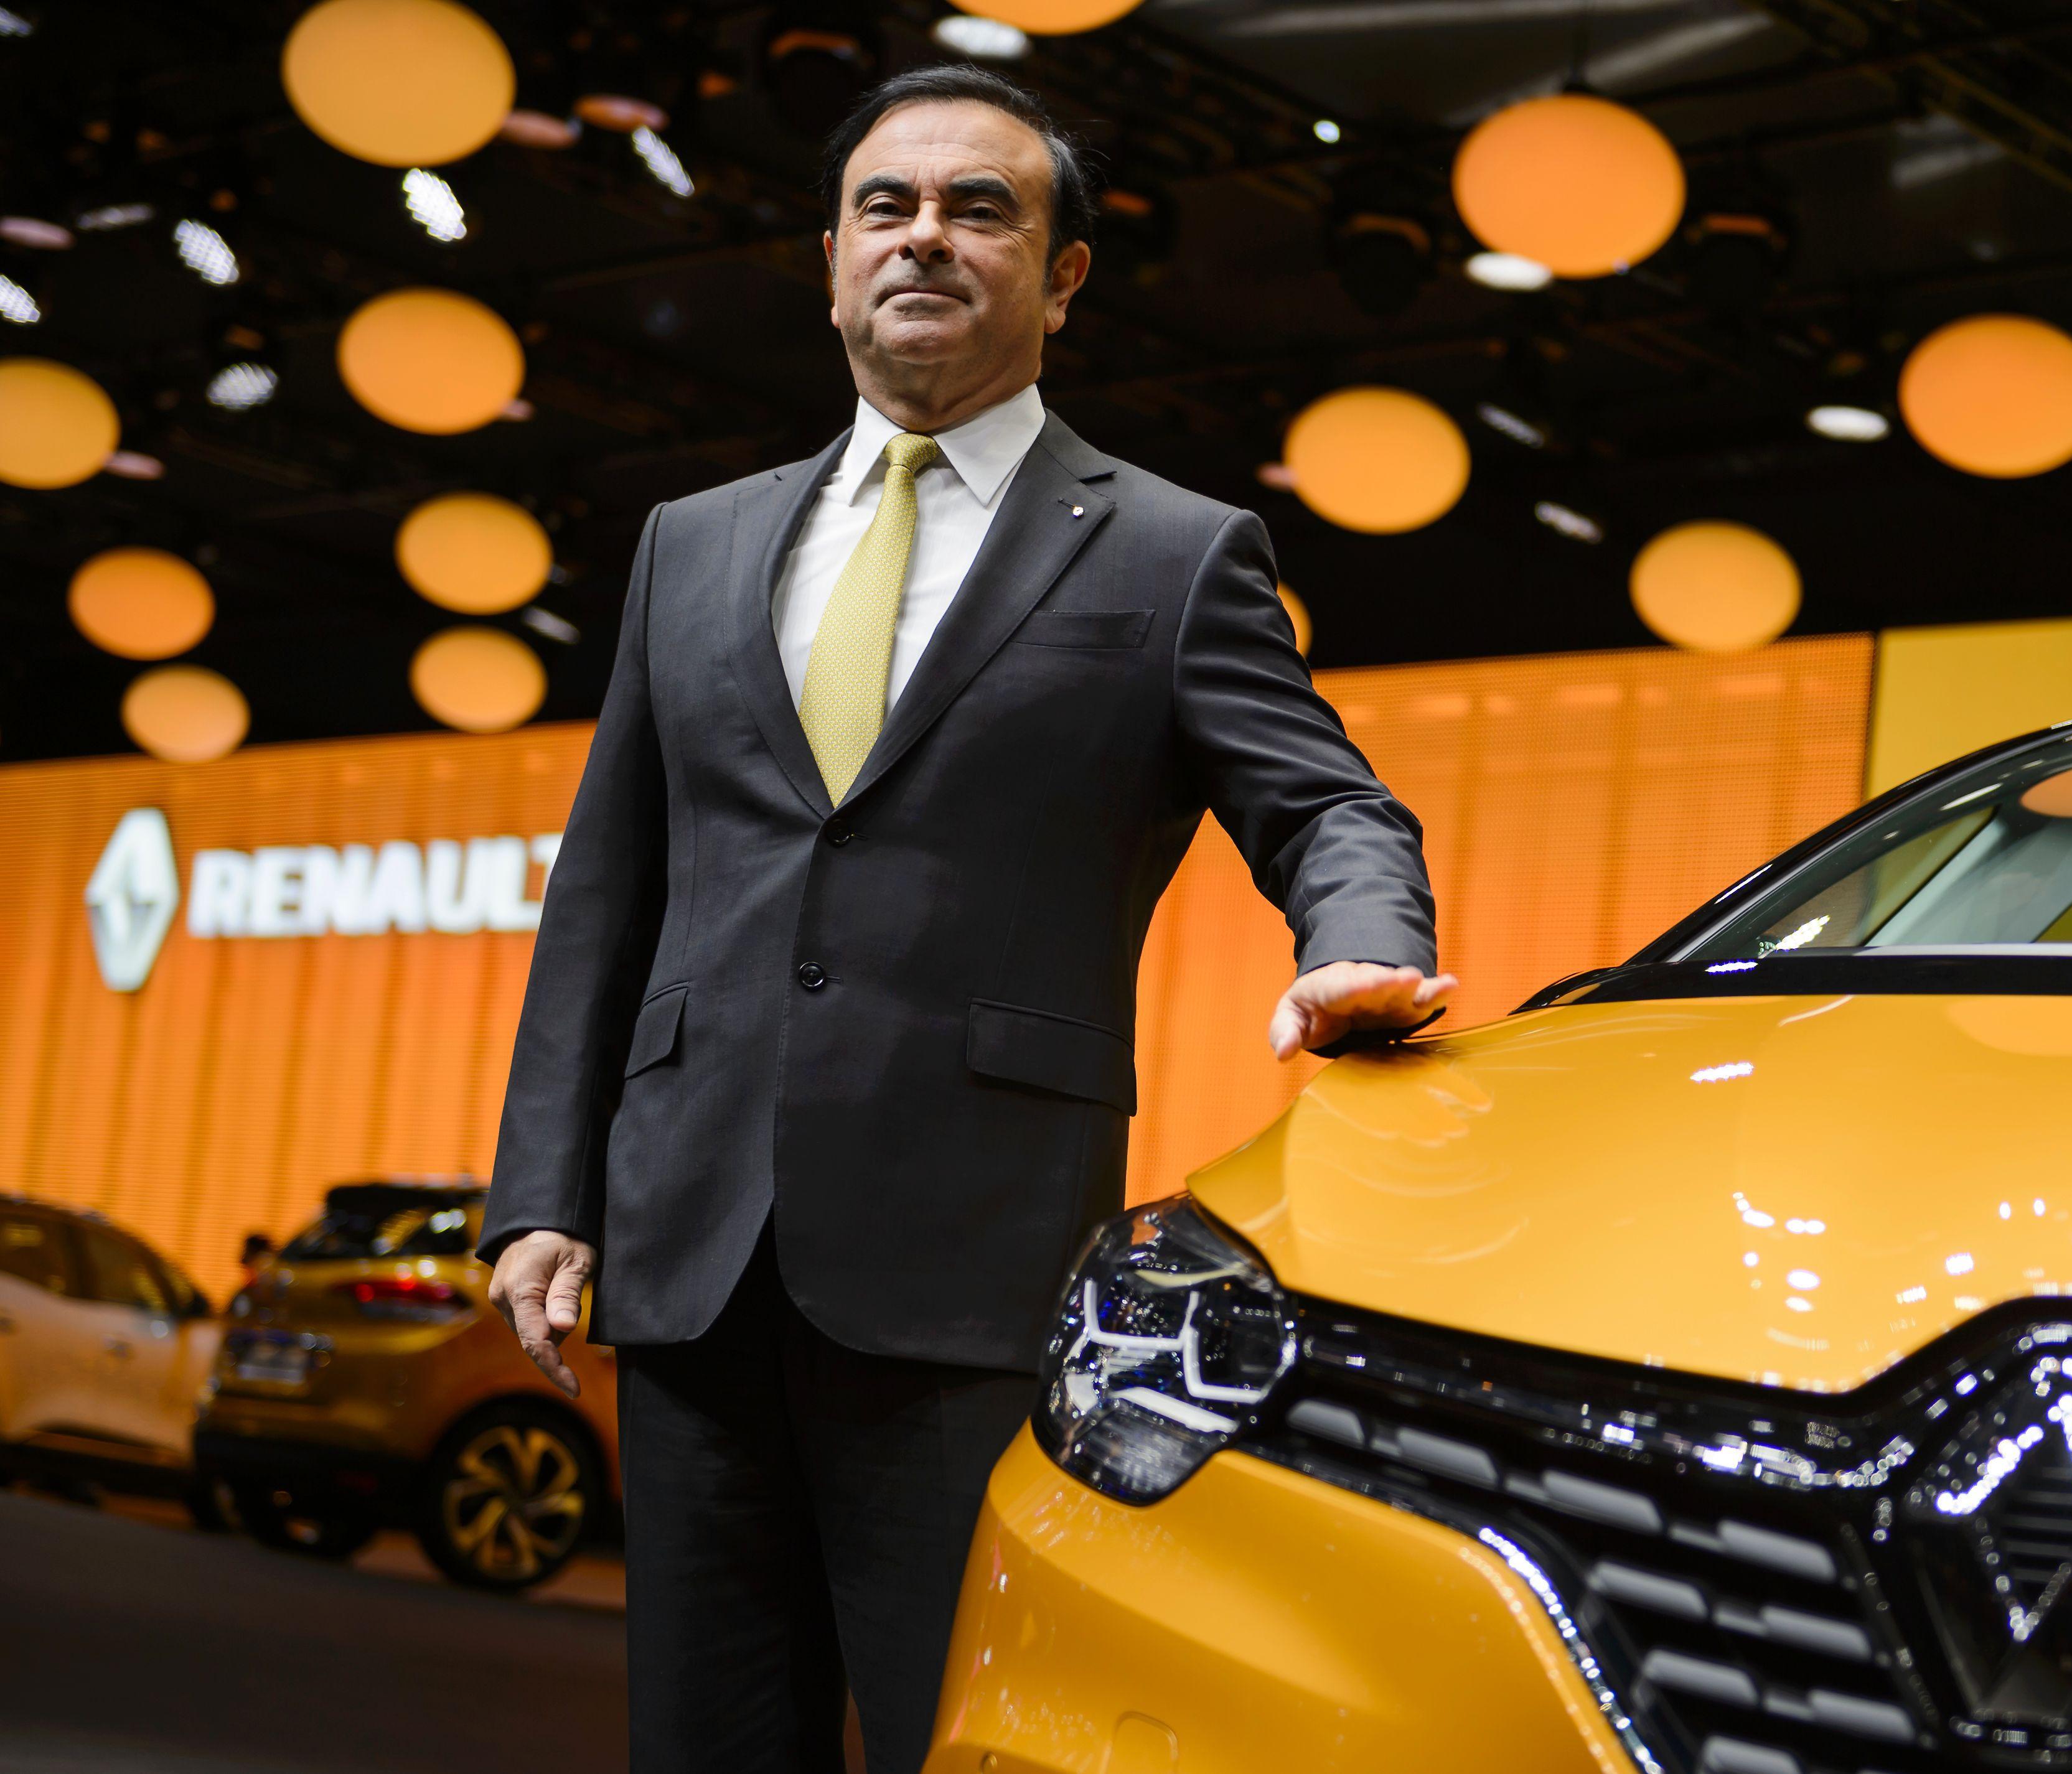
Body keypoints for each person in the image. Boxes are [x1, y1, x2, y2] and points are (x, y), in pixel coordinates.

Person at [477, 63, 1452, 1774]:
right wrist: (544, 1191)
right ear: (833, 258)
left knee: (969, 1735)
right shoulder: (688, 547)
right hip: (693, 1252)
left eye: (982, 208)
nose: (926, 235)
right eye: (887, 206)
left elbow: (1329, 805)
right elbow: (612, 883)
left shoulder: (1171, 549)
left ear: (1064, 276)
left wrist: (1350, 939)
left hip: (974, 1263)